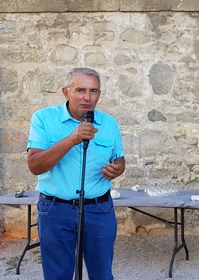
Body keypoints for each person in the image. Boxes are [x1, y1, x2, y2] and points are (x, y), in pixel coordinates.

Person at [27, 67, 125, 280]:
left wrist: (118, 168)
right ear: (66, 92)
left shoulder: (109, 123)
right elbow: (35, 165)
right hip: (56, 209)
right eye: (80, 90)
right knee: (57, 275)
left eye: (94, 91)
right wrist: (72, 139)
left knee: (102, 275)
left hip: (99, 209)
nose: (88, 97)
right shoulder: (43, 119)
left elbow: (119, 158)